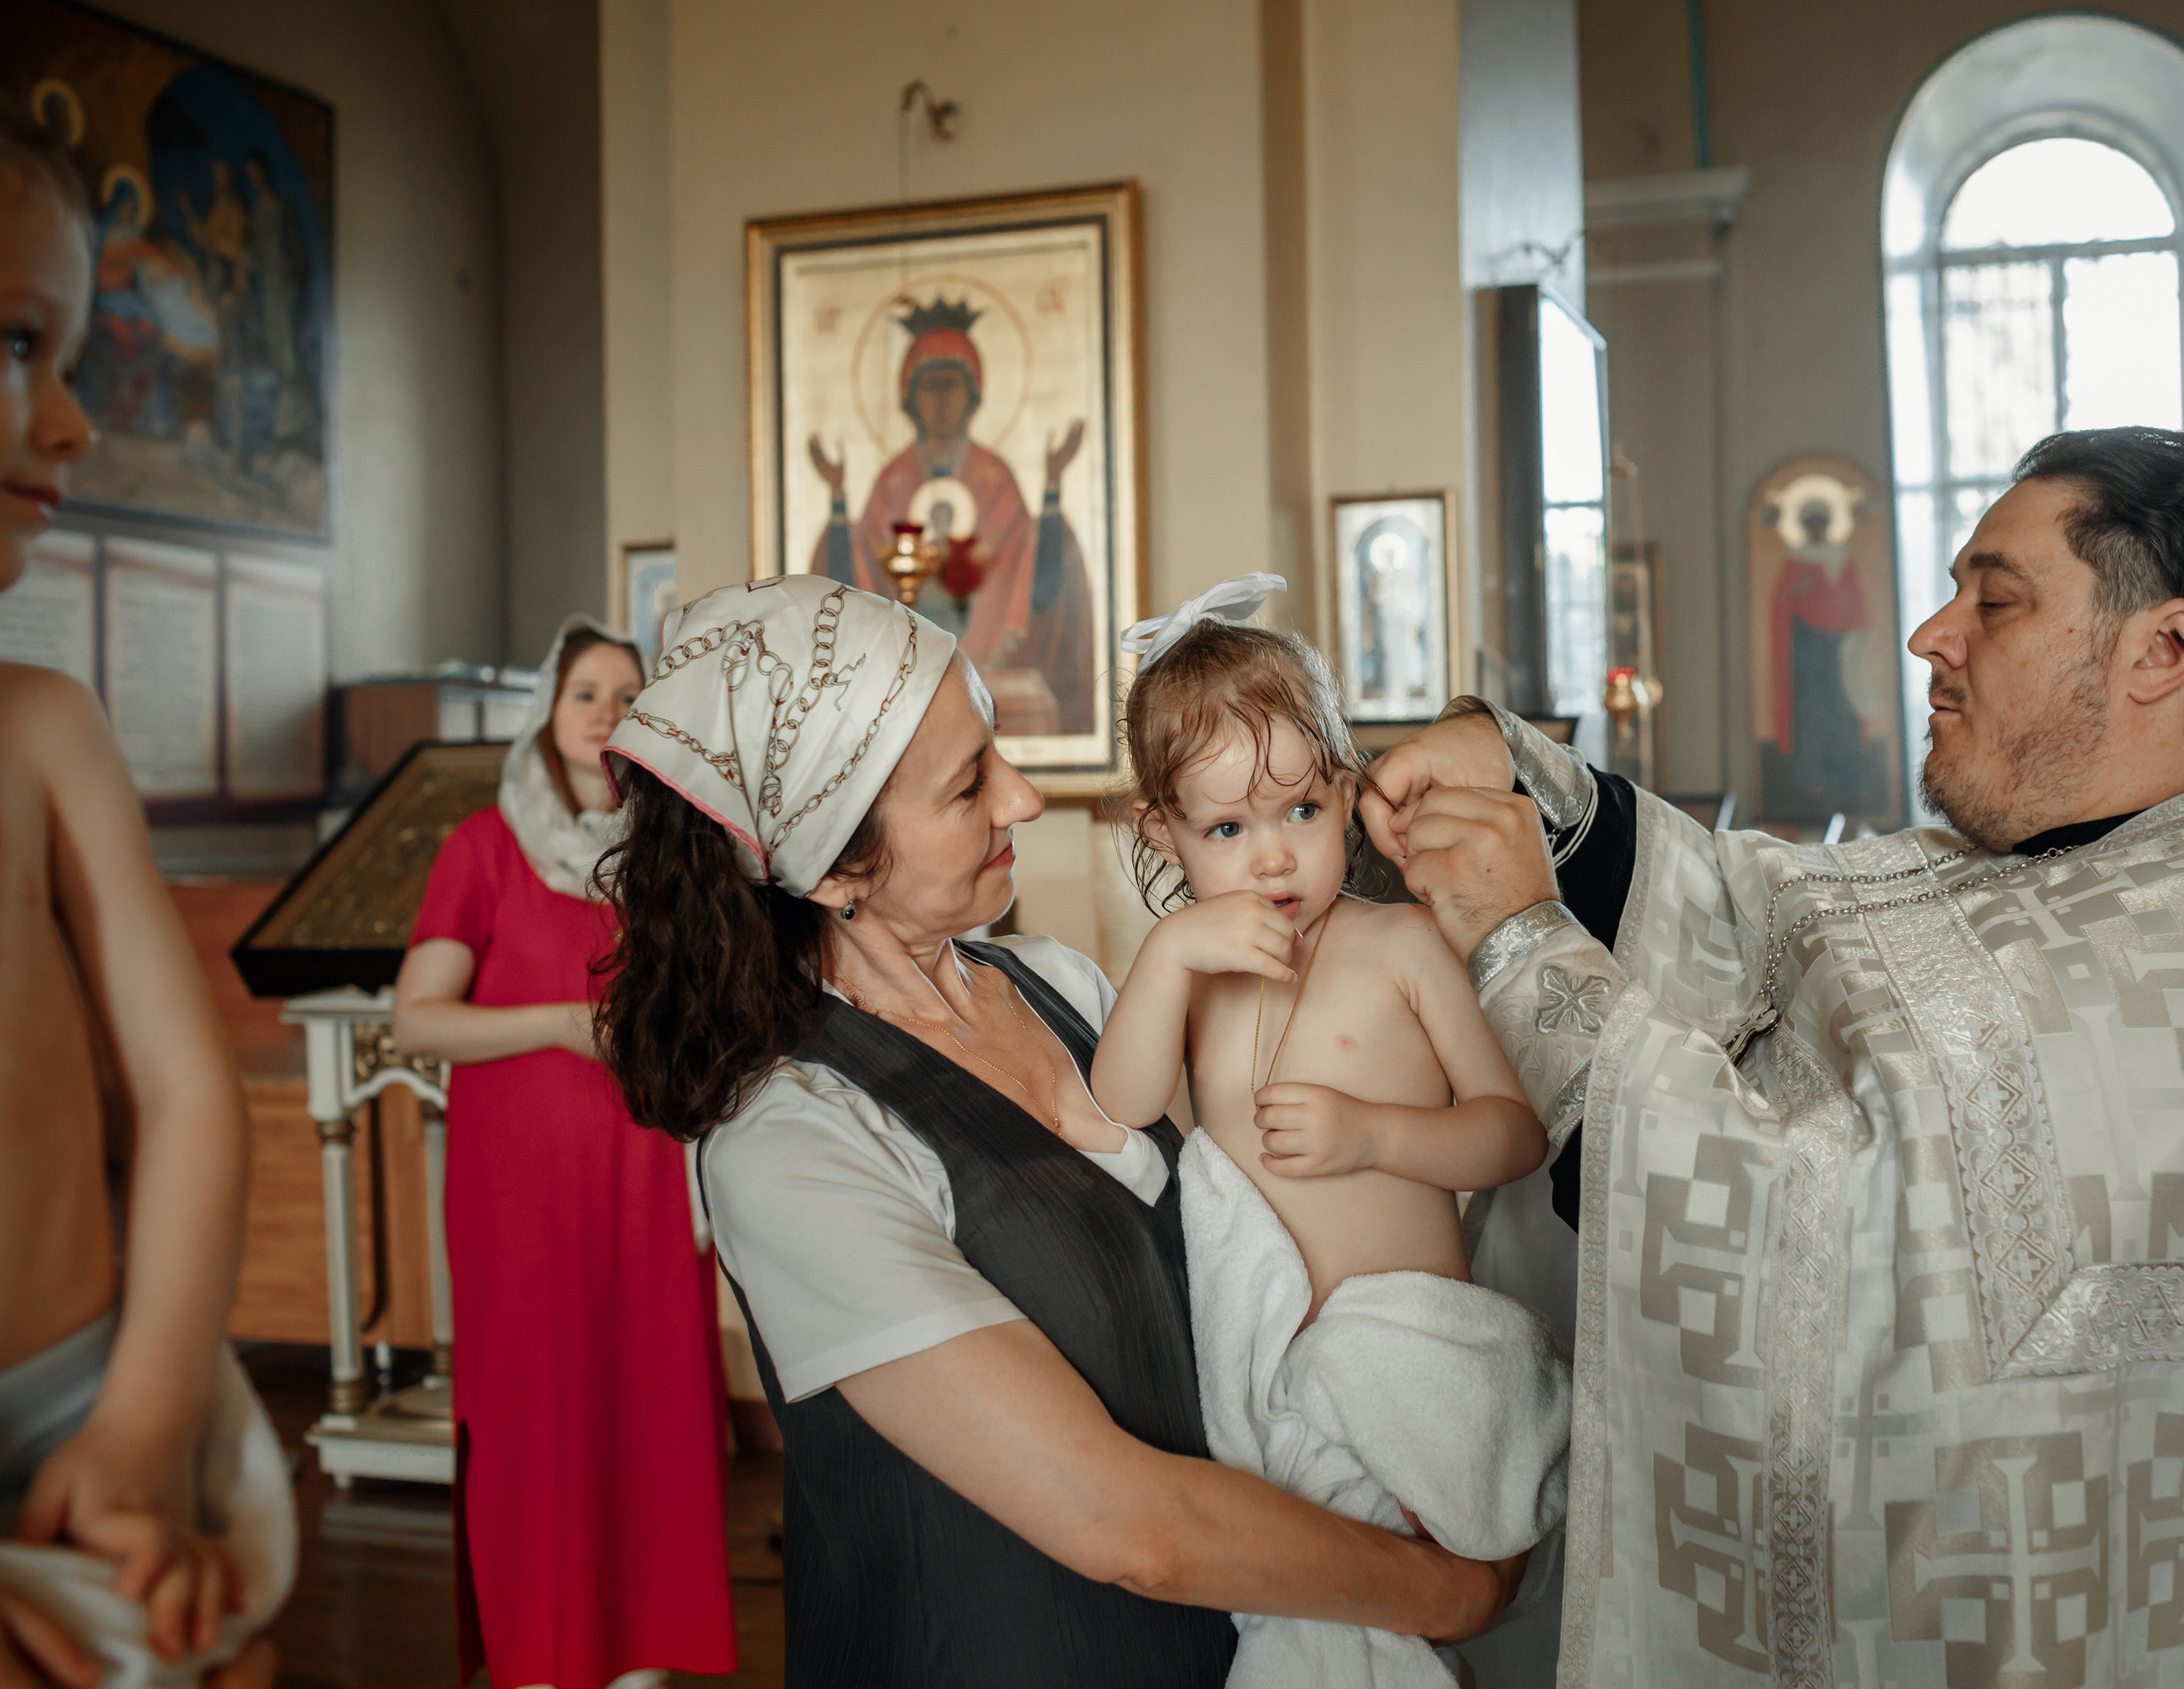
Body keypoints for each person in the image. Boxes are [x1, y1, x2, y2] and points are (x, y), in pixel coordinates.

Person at [1367, 426, 2184, 1687]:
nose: (1927, 635)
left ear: (2161, 652)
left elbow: (1820, 1263)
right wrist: (1527, 778)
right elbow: (1755, 912)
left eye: (1994, 601)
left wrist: (1521, 938)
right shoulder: (2060, 869)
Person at [596, 575, 1523, 1689]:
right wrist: (1457, 1589)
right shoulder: (792, 1139)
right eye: (966, 784)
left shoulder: (1059, 987)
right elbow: (1124, 1526)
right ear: (839, 866)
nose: (1024, 799)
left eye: (1000, 750)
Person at [1087, 576, 1566, 1687]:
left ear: (1347, 795)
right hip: (1272, 1393)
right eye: (1224, 828)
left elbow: (1510, 1135)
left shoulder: (1398, 947)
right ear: (1160, 831)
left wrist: (1374, 1136)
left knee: (1400, 1616)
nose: (1270, 858)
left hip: (1407, 1369)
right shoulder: (1190, 974)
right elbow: (1119, 1111)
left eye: (1301, 812)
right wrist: (1164, 959)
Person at [0, 102, 288, 1689]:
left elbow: (188, 1092)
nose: (69, 422)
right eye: (12, 345)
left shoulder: (39, 734)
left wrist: (147, 1416)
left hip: (88, 1395)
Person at [392, 616, 735, 1689]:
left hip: (646, 1179)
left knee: (649, 1413)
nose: (606, 714)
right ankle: (541, 1660)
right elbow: (419, 1022)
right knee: (535, 1421)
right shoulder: (482, 848)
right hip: (520, 1196)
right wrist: (554, 1025)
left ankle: (642, 1659)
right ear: (547, 713)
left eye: (628, 696)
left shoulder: (671, 858)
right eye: (585, 692)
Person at [805, 293, 1099, 734]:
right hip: (908, 665)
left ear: (972, 393)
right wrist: (837, 499)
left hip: (990, 656)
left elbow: (1031, 569)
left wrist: (1053, 486)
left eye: (951, 383)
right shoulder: (894, 481)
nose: (941, 399)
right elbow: (859, 574)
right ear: (909, 396)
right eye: (929, 385)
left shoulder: (994, 477)